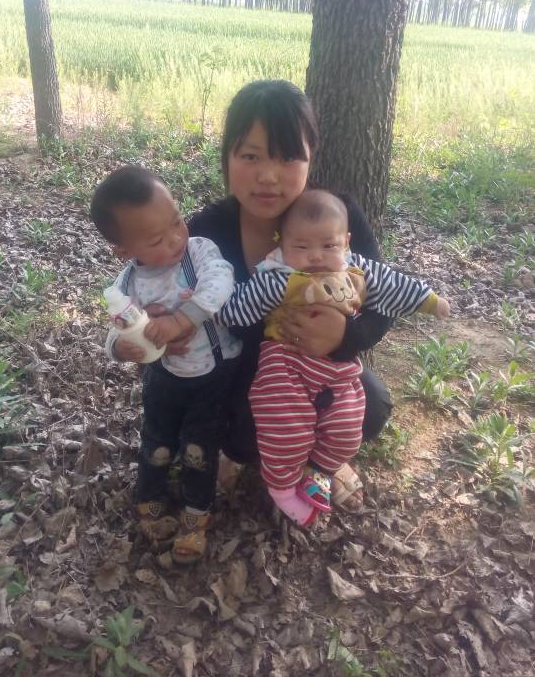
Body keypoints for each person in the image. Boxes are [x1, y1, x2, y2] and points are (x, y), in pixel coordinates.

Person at [112, 80, 396, 515]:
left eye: (287, 157)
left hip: (321, 370)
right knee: (244, 437)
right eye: (250, 156)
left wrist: (344, 335)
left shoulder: (336, 215)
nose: (268, 176)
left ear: (311, 157)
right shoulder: (204, 234)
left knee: (371, 406)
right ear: (227, 158)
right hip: (235, 378)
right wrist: (157, 328)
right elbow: (152, 288)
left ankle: (324, 459)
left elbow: (382, 301)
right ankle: (248, 453)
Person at [215, 189, 450, 526]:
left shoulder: (357, 269)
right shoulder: (279, 276)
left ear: (346, 242)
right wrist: (207, 314)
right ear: (282, 245)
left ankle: (320, 469)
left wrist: (429, 300)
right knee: (286, 424)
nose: (315, 257)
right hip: (285, 363)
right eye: (301, 247)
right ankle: (282, 485)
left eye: (328, 246)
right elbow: (238, 308)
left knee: (348, 423)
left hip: (337, 367)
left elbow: (393, 285)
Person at [90, 165, 242, 564]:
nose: (175, 238)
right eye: (157, 239)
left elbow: (221, 281)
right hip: (164, 379)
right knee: (156, 442)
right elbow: (115, 333)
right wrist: (123, 348)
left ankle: (196, 516)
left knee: (199, 449)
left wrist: (181, 320)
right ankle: (150, 501)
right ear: (125, 251)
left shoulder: (199, 252)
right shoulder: (128, 285)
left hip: (212, 376)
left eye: (177, 221)